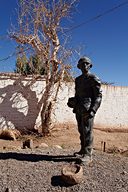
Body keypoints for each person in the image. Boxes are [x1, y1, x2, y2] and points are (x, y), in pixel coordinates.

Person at [67, 57, 102, 164]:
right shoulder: (78, 80)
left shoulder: (93, 78)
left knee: (87, 131)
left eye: (87, 64)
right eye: (82, 64)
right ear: (79, 67)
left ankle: (88, 154)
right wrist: (72, 101)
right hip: (78, 108)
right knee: (81, 130)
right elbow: (77, 95)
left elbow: (98, 96)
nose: (84, 66)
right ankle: (83, 149)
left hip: (88, 109)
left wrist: (93, 110)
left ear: (90, 66)